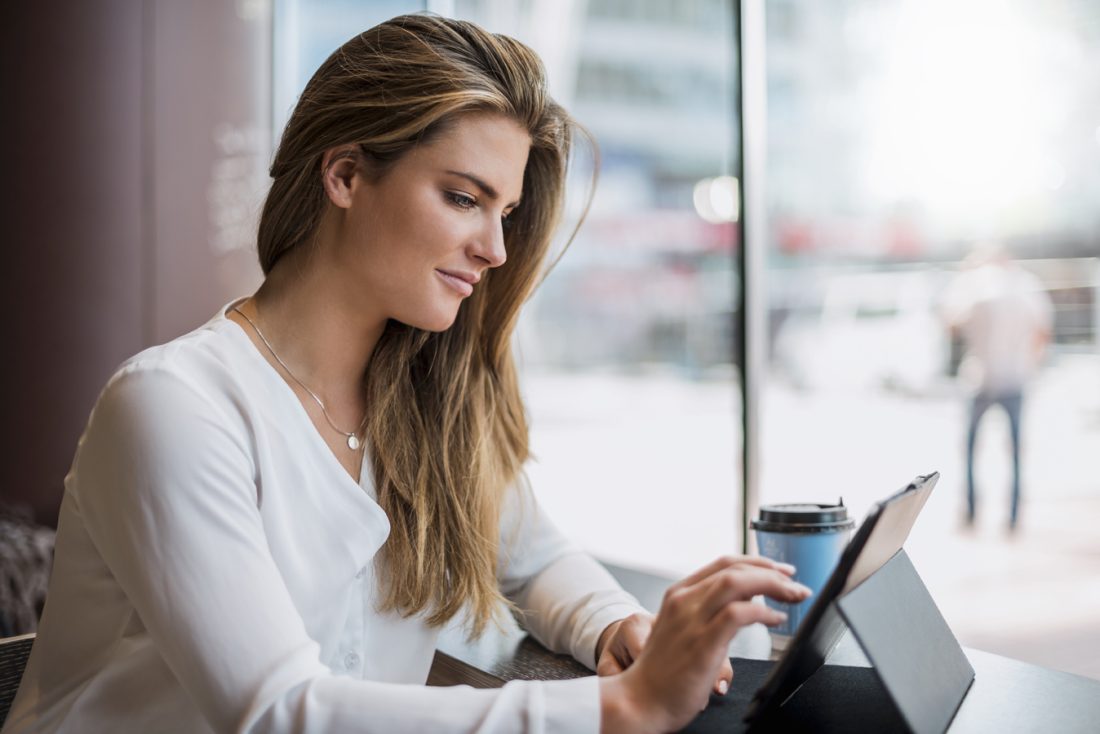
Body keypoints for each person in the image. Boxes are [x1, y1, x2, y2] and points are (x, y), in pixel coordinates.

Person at [4, 14, 809, 734]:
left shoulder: (422, 398)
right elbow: (276, 713)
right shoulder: (174, 410)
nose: (495, 250)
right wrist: (618, 709)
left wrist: (615, 625)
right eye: (464, 198)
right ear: (346, 175)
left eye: (505, 213)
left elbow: (532, 559)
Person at [943, 243, 1053, 531]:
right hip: (1016, 376)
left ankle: (971, 510)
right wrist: (1031, 362)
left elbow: (951, 323)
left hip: (980, 376)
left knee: (970, 447)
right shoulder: (1027, 286)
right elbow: (1043, 331)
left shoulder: (973, 286)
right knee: (1015, 449)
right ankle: (1014, 514)